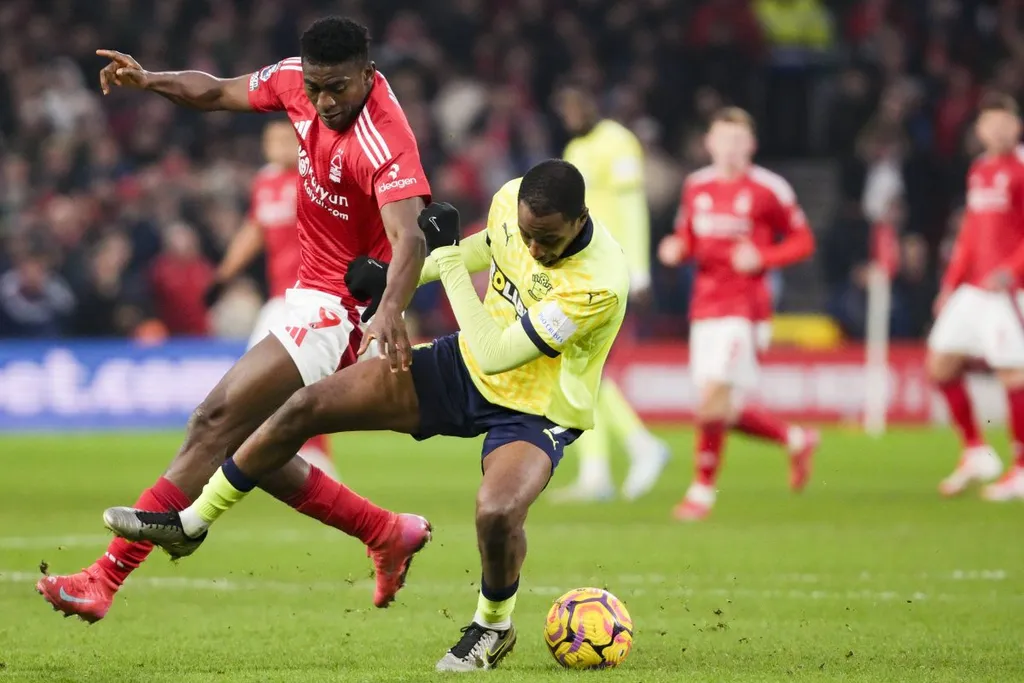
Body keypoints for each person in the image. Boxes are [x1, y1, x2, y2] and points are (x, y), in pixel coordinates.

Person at [102, 160, 630, 672]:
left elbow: (496, 349)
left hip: (537, 409)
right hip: (462, 369)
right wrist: (393, 280)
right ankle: (191, 524)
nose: (536, 249)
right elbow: (482, 249)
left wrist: (441, 258)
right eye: (529, 235)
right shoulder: (511, 201)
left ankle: (492, 627)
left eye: (550, 241)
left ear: (580, 220)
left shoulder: (598, 283)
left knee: (496, 511)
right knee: (301, 406)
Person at [37, 16, 433, 623]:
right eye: (319, 88)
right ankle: (384, 531)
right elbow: (217, 91)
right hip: (306, 290)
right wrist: (150, 81)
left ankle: (104, 578)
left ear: (369, 75)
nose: (326, 102)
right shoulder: (298, 82)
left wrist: (389, 310)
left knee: (214, 419)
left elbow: (409, 239)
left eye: (341, 89)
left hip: (343, 308)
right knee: (258, 450)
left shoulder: (386, 140)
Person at [658, 106, 819, 521]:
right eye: (722, 138)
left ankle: (701, 492)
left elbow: (803, 241)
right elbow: (687, 236)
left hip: (746, 309)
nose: (729, 147)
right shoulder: (696, 186)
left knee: (712, 403)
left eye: (738, 139)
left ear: (751, 144)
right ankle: (796, 438)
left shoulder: (770, 189)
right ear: (708, 142)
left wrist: (764, 256)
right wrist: (677, 249)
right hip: (705, 307)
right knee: (722, 410)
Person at [549, 80, 670, 503]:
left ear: (592, 104)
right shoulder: (575, 152)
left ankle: (628, 454)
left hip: (613, 270)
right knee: (580, 370)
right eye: (564, 110)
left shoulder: (618, 142)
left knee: (581, 370)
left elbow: (632, 207)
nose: (570, 116)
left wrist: (639, 271)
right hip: (582, 272)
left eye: (575, 106)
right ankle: (611, 465)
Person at [205, 119, 337, 480]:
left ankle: (307, 458)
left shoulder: (317, 180)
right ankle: (286, 455)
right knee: (269, 381)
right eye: (270, 139)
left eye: (284, 138)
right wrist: (224, 275)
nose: (275, 145)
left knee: (287, 380)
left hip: (313, 294)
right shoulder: (265, 181)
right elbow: (255, 228)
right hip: (280, 298)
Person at [928, 92, 1024, 501]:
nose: (997, 130)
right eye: (989, 123)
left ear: (1016, 126)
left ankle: (1021, 470)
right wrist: (951, 282)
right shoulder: (980, 169)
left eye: (1005, 122)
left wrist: (1013, 271)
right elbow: (970, 232)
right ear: (979, 130)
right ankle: (976, 450)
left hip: (1010, 289)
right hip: (974, 288)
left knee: (1013, 374)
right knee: (940, 364)